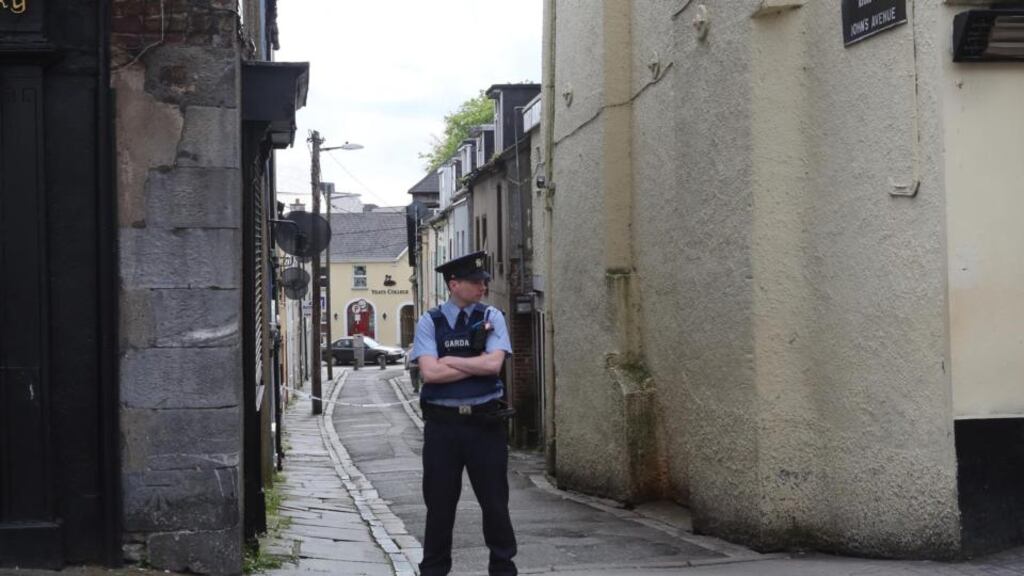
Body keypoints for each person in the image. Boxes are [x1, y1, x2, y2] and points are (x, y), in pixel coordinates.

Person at [409, 250, 517, 576]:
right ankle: (434, 570)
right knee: (440, 507)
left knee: (495, 504)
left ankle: (502, 568)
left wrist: (452, 361)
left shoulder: (492, 317)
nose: (482, 286)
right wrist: (475, 364)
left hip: (485, 426)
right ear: (454, 284)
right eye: (475, 281)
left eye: (483, 281)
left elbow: (493, 365)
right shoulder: (430, 321)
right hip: (443, 429)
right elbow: (430, 374)